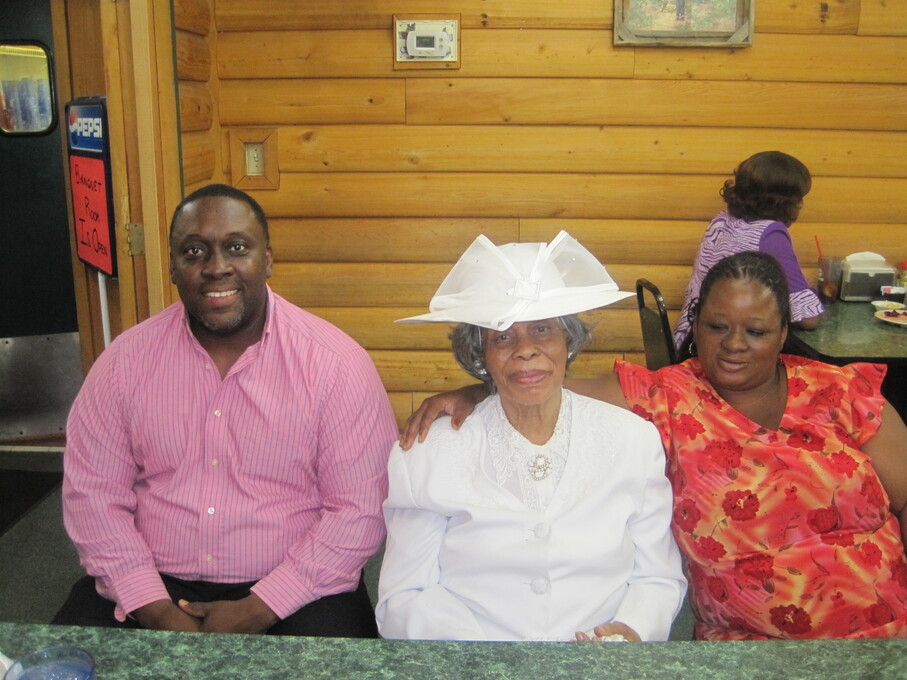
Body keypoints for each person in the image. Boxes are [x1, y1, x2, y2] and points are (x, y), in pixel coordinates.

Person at [403, 251, 907, 640]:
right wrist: (480, 386)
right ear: (693, 325)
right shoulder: (668, 396)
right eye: (716, 327)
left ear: (782, 333)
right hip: (747, 645)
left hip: (884, 634)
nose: (733, 344)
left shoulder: (841, 392)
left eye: (755, 331)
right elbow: (542, 375)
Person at [54, 184, 398, 636]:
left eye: (236, 247)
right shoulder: (123, 364)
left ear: (267, 260)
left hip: (299, 587)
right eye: (194, 251)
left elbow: (358, 510)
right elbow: (93, 498)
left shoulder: (335, 365)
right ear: (174, 267)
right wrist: (151, 604)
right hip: (152, 581)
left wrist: (263, 607)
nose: (217, 268)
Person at [376, 231, 687, 642]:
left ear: (568, 342)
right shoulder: (427, 454)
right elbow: (403, 598)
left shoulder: (633, 441)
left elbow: (658, 578)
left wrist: (631, 631)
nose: (525, 350)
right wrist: (493, 663)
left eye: (543, 330)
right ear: (480, 355)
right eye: (502, 336)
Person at [673, 150, 824, 354]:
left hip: (691, 342)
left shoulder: (721, 220)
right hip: (730, 354)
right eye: (799, 199)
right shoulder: (770, 236)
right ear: (784, 201)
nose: (800, 206)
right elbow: (809, 319)